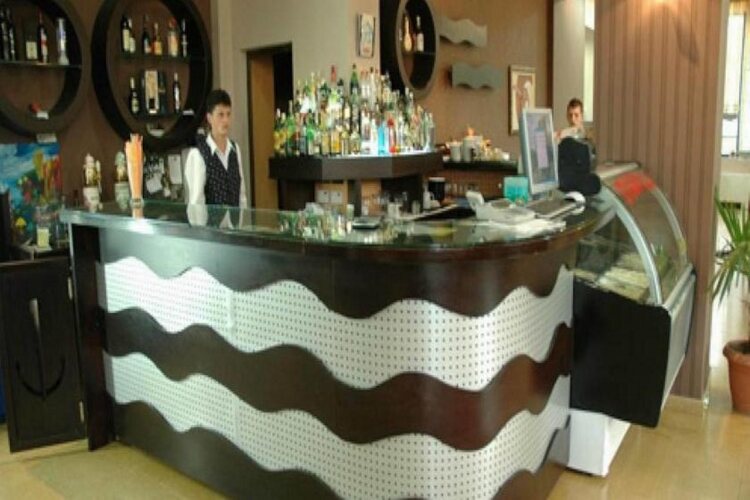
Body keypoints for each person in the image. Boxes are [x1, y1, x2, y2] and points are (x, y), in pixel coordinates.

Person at [184, 89, 248, 208]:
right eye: (220, 115)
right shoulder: (198, 154)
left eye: (228, 114)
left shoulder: (235, 150)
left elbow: (242, 195)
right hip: (211, 220)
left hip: (235, 220)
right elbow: (197, 203)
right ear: (209, 118)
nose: (225, 120)